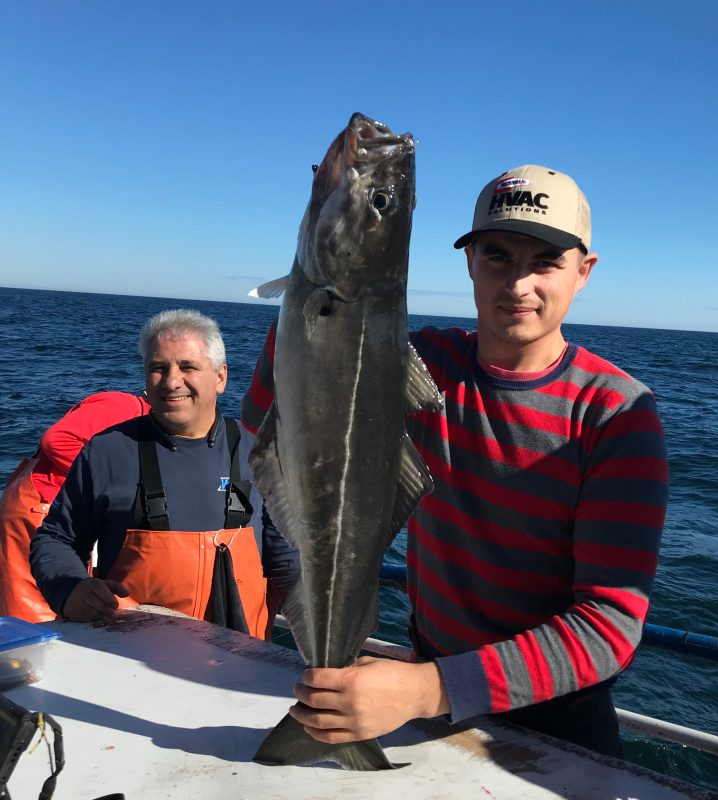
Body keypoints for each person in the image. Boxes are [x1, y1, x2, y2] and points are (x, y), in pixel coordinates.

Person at [240, 164, 669, 756]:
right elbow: (261, 414)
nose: (519, 284)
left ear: (584, 272)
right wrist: (311, 292)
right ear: (468, 261)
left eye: (545, 261)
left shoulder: (615, 414)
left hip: (555, 728)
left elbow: (608, 626)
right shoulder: (423, 363)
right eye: (497, 256)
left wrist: (426, 690)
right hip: (429, 711)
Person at [30, 309, 294, 640]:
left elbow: (286, 558)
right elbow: (56, 538)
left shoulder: (259, 454)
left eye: (188, 367)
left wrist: (323, 626)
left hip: (242, 662)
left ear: (220, 377)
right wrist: (69, 589)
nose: (171, 381)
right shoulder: (107, 451)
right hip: (129, 661)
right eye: (158, 368)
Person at [0, 391, 149, 622]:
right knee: (33, 612)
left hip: (48, 503)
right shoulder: (125, 407)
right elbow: (57, 439)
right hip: (40, 506)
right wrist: (103, 476)